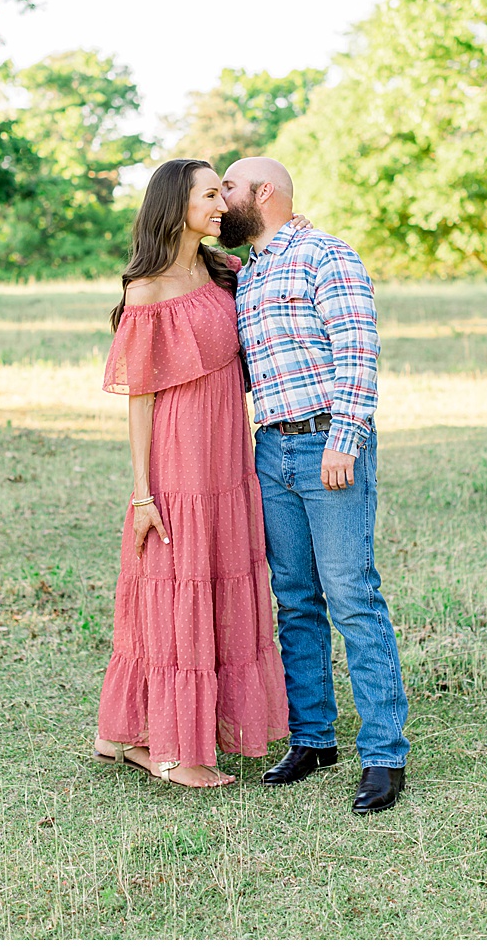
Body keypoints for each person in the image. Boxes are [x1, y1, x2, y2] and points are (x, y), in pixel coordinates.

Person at [219, 156, 410, 815]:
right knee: (295, 599)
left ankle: (385, 753)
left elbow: (358, 346)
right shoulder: (246, 275)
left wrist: (345, 437)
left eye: (230, 189)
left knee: (353, 595)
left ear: (264, 193)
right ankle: (313, 738)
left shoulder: (326, 255)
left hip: (328, 440)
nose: (221, 201)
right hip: (270, 448)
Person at [92, 159, 290, 788]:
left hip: (228, 450)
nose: (221, 205)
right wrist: (142, 492)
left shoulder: (224, 270)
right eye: (210, 194)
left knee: (216, 578)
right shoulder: (146, 290)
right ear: (177, 205)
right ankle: (170, 748)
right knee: (175, 581)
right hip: (179, 455)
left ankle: (142, 735)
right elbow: (141, 398)